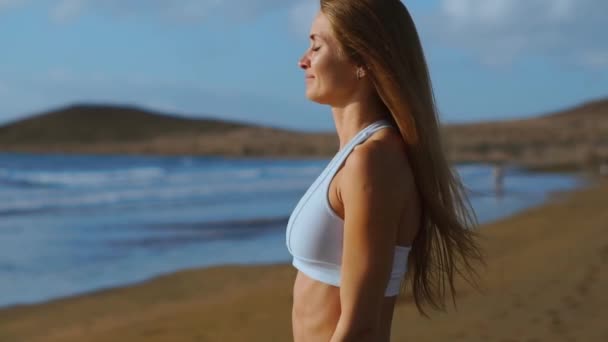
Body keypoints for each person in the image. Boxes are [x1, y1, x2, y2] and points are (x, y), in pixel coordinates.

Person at [285, 1, 485, 341]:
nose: (302, 59)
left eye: (317, 45)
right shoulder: (356, 156)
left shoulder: (373, 161)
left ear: (362, 61)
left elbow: (361, 326)